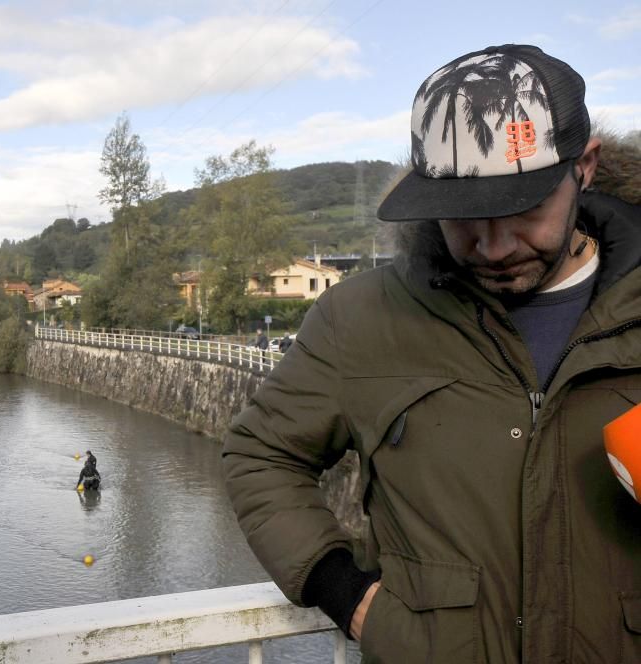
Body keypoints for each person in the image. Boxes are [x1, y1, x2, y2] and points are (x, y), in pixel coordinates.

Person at [223, 44, 641, 663]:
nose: (494, 247)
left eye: (522, 208)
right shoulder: (360, 319)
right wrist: (344, 592)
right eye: (461, 217)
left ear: (584, 166)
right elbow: (260, 455)